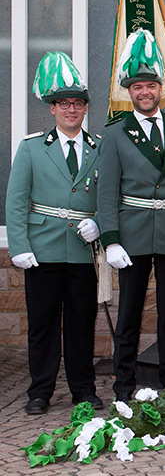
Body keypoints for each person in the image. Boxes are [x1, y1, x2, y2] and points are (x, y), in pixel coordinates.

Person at [98, 29, 165, 402]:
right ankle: (123, 385)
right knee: (129, 313)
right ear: (129, 92)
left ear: (161, 88)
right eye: (137, 87)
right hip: (131, 234)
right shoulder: (115, 133)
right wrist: (111, 240)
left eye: (150, 85)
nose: (144, 92)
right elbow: (106, 191)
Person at [7, 52, 102, 414]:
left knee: (81, 325)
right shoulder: (31, 147)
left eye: (77, 104)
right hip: (42, 249)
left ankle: (83, 389)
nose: (71, 110)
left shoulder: (99, 148)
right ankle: (40, 391)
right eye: (64, 103)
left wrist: (99, 223)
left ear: (85, 108)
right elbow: (17, 200)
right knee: (42, 324)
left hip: (81, 250)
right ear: (52, 108)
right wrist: (19, 245)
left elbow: (109, 196)